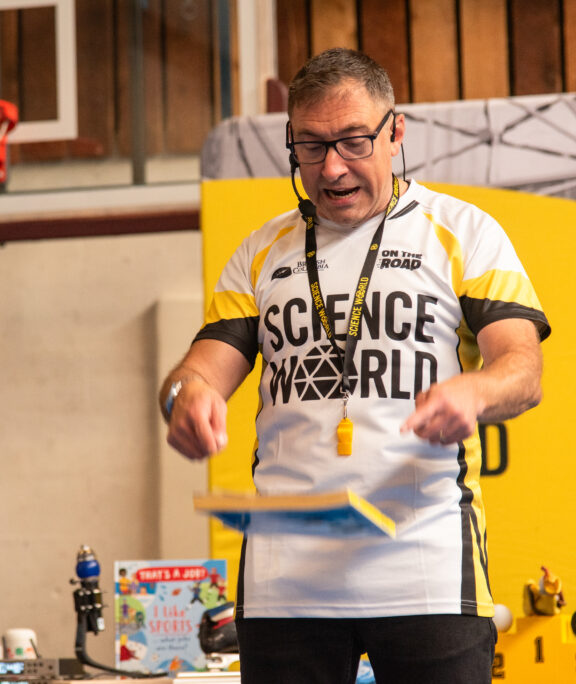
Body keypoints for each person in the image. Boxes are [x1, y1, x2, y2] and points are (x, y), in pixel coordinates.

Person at [159, 47, 550, 684]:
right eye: (310, 147)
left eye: (352, 141)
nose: (332, 168)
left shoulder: (463, 231)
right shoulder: (260, 252)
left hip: (425, 569)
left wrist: (476, 392)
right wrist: (185, 397)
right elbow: (198, 372)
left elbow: (522, 366)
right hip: (285, 585)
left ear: (395, 132)